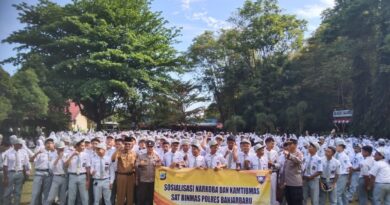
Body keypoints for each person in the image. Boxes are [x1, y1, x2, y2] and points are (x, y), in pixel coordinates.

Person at [3, 138, 30, 205]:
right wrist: (5, 177)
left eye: (21, 145)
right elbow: (5, 166)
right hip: (11, 173)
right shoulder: (8, 153)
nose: (20, 146)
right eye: (19, 144)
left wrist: (25, 175)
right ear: (15, 144)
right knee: (8, 192)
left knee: (18, 192)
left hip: (20, 173)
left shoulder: (23, 153)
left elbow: (23, 165)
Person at [29, 137, 56, 205]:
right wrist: (37, 153)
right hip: (39, 174)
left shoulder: (54, 153)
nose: (49, 144)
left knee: (46, 193)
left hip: (48, 175)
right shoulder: (40, 151)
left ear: (53, 144)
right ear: (45, 144)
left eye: (51, 143)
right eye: (48, 143)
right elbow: (31, 160)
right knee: (36, 193)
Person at [65, 137, 91, 205]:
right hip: (72, 176)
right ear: (76, 146)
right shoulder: (70, 153)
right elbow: (66, 165)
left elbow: (88, 168)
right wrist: (72, 155)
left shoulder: (86, 155)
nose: (84, 147)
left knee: (84, 197)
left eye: (84, 146)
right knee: (71, 197)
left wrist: (88, 180)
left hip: (82, 176)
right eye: (82, 146)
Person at [112, 136, 137, 205]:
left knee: (130, 194)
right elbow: (113, 159)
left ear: (132, 145)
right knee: (120, 194)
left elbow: (136, 165)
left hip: (131, 176)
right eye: (126, 144)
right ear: (124, 144)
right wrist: (118, 149)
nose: (127, 145)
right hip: (121, 176)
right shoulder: (119, 152)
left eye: (129, 144)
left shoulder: (134, 153)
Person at [136, 140, 161, 205]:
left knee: (150, 198)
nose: (150, 148)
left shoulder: (156, 157)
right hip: (143, 180)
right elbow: (136, 165)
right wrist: (140, 164)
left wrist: (159, 164)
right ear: (146, 147)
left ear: (153, 147)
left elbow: (160, 166)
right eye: (148, 147)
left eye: (151, 147)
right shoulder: (141, 156)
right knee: (141, 198)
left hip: (153, 180)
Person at [280, 137, 303, 205]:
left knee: (296, 203)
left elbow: (299, 161)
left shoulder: (299, 153)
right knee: (289, 202)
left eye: (290, 144)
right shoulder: (286, 155)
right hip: (287, 184)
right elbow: (284, 169)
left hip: (295, 185)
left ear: (295, 145)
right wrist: (282, 182)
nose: (288, 146)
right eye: (287, 144)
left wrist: (289, 155)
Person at [46, 141, 68, 205]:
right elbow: (51, 167)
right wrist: (58, 157)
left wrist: (64, 158)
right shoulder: (52, 155)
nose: (62, 150)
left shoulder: (66, 155)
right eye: (60, 148)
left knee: (62, 198)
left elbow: (68, 166)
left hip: (64, 177)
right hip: (56, 177)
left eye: (63, 148)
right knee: (51, 197)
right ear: (56, 149)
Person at [303, 140, 323, 205]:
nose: (309, 148)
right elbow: (304, 168)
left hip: (314, 179)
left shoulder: (318, 159)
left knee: (314, 198)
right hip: (305, 179)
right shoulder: (307, 157)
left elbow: (320, 171)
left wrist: (311, 177)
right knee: (303, 197)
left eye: (310, 147)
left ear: (315, 149)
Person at [334, 140, 352, 205]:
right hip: (341, 175)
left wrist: (348, 178)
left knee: (337, 193)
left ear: (341, 146)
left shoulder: (344, 156)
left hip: (343, 175)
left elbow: (349, 167)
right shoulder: (338, 154)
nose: (335, 147)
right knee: (344, 193)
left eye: (337, 146)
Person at [264, 137, 280, 205]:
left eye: (273, 144)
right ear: (267, 143)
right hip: (264, 174)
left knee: (273, 190)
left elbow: (278, 164)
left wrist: (273, 164)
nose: (273, 145)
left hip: (273, 173)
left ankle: (273, 203)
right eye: (271, 143)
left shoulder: (275, 152)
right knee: (264, 190)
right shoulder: (262, 151)